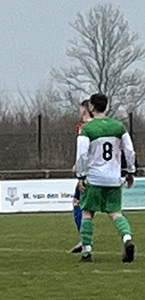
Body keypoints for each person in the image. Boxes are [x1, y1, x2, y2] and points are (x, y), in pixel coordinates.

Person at [74, 92, 136, 263]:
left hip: (94, 178)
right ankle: (127, 238)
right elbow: (129, 150)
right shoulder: (119, 127)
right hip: (114, 178)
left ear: (92, 106)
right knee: (116, 213)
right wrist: (130, 171)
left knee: (87, 212)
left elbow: (82, 155)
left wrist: (81, 175)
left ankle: (86, 253)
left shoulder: (87, 129)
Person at [69, 99, 94, 253]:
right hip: (104, 172)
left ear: (85, 109)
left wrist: (78, 167)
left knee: (79, 204)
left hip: (88, 173)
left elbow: (83, 151)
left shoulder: (83, 127)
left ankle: (84, 241)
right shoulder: (104, 125)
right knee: (112, 211)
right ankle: (126, 237)